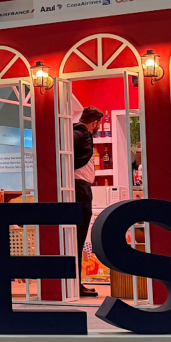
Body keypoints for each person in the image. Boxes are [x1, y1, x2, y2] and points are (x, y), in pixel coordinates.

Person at [74, 106, 104, 298]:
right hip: (80, 189)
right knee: (78, 235)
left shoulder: (76, 132)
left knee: (76, 237)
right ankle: (75, 283)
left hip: (78, 187)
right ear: (94, 123)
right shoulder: (82, 133)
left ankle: (75, 282)